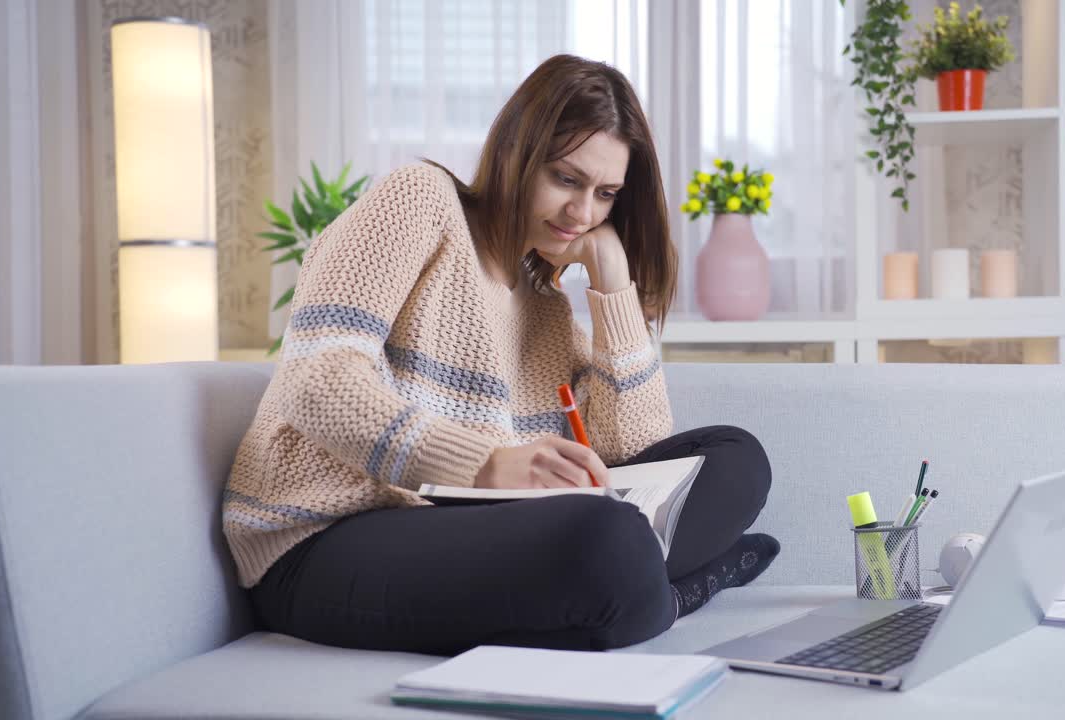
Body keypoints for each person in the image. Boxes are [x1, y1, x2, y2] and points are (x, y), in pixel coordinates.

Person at [223, 54, 779, 655]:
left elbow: (627, 450)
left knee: (735, 458)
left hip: (461, 531)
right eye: (567, 179)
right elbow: (317, 381)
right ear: (516, 152)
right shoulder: (419, 201)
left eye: (606, 194)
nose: (583, 214)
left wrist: (612, 286)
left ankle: (634, 590)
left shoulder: (543, 300)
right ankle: (670, 594)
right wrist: (486, 462)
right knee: (610, 541)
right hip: (322, 539)